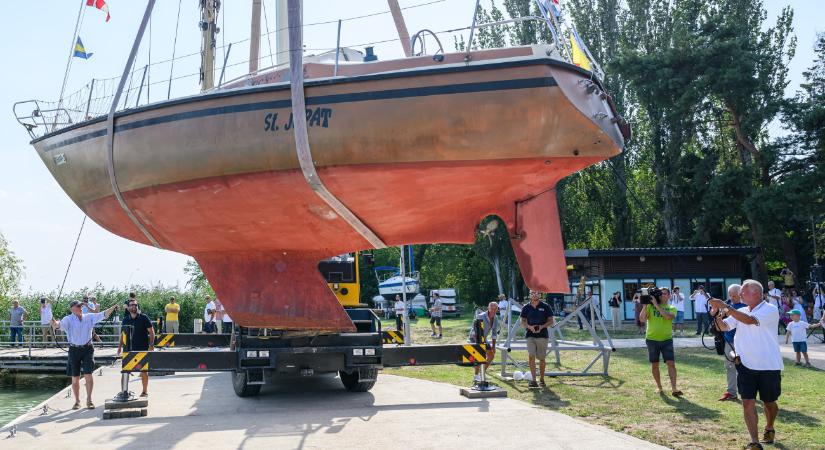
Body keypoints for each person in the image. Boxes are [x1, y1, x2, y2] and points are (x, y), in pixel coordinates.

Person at [710, 280, 783, 450]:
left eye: (743, 292)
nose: (739, 295)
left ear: (756, 293)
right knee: (747, 402)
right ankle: (754, 441)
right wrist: (716, 314)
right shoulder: (740, 310)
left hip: (768, 366)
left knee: (769, 403)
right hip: (745, 364)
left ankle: (770, 426)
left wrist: (726, 308)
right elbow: (724, 327)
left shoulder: (770, 309)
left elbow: (750, 320)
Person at [51, 300, 118, 409]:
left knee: (88, 375)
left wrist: (113, 307)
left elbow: (103, 315)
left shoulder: (89, 316)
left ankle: (89, 399)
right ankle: (77, 401)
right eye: (78, 306)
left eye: (81, 306)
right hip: (74, 349)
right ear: (72, 309)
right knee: (75, 377)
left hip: (88, 349)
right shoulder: (68, 319)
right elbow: (57, 325)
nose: (80, 307)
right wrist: (51, 318)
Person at [639, 288, 682, 396]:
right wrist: (645, 305)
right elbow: (642, 320)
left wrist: (657, 306)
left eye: (664, 294)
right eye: (660, 294)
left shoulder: (672, 308)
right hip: (652, 339)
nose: (662, 295)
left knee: (671, 364)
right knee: (655, 365)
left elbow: (668, 317)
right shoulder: (649, 306)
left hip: (666, 340)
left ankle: (674, 388)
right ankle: (659, 387)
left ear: (669, 296)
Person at [117, 298, 154, 397]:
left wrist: (151, 345)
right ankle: (124, 392)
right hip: (128, 349)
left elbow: (151, 332)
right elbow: (123, 334)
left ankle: (144, 391)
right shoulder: (125, 319)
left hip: (142, 348)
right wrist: (119, 347)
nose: (134, 307)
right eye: (132, 305)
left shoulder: (144, 317)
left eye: (135, 305)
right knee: (125, 371)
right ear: (128, 307)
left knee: (144, 371)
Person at [520, 291, 554, 388]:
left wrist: (542, 326)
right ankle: (533, 380)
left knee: (542, 359)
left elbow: (551, 321)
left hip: (542, 335)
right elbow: (522, 321)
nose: (535, 294)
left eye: (537, 293)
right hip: (530, 335)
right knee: (531, 356)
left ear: (540, 295)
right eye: (533, 293)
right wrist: (529, 327)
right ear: (530, 295)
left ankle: (542, 379)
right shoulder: (526, 307)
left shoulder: (546, 306)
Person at [719, 284, 747, 401]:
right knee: (730, 366)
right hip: (729, 341)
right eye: (730, 295)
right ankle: (731, 392)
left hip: (744, 342)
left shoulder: (746, 307)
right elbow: (720, 317)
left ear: (741, 294)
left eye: (734, 295)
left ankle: (747, 392)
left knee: (745, 368)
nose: (731, 297)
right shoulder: (728, 305)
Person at [473, 302, 500, 381]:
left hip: (484, 338)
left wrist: (493, 346)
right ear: (488, 308)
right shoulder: (481, 316)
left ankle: (482, 373)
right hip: (475, 337)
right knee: (480, 357)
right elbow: (475, 330)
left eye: (495, 309)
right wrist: (479, 345)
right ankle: (476, 376)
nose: (493, 310)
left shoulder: (495, 318)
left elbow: (494, 333)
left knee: (491, 356)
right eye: (492, 308)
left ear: (497, 309)